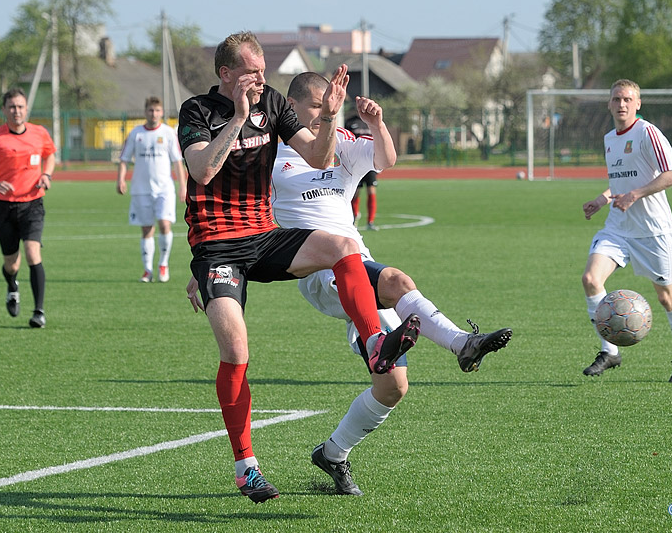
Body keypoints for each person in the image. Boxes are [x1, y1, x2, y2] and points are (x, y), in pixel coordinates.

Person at [176, 31, 419, 504]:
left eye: (264, 69)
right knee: (236, 350)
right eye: (251, 71)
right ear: (225, 74)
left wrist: (329, 115)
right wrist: (241, 121)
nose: (261, 78)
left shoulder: (271, 100)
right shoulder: (196, 111)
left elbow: (319, 155)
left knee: (341, 245)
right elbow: (203, 170)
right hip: (218, 248)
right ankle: (246, 467)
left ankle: (374, 342)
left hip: (263, 237)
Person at [274, 72, 513, 495]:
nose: (326, 110)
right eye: (317, 104)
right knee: (398, 279)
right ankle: (462, 344)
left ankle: (332, 453)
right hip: (316, 269)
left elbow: (385, 161)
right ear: (291, 106)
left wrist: (377, 123)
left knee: (392, 387)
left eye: (330, 103)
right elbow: (236, 210)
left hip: (357, 266)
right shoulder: (272, 151)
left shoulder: (344, 139)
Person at [581, 79, 672, 383]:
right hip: (618, 227)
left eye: (628, 99)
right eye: (616, 99)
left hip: (652, 230)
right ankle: (610, 351)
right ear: (609, 104)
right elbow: (620, 182)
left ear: (638, 103)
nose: (622, 104)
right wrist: (602, 199)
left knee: (666, 297)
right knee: (591, 280)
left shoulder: (648, 133)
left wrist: (637, 194)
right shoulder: (609, 139)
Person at [0, 88, 55, 329]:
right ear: (4, 110)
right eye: (12, 107)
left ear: (27, 109)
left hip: (32, 203)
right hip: (3, 207)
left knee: (32, 252)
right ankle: (12, 285)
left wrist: (46, 175)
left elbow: (50, 155)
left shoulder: (39, 133)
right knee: (12, 264)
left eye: (20, 106)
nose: (17, 111)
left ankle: (39, 311)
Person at [116, 96, 187, 283]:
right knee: (146, 229)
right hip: (141, 189)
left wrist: (183, 186)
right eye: (150, 110)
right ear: (145, 111)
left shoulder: (168, 133)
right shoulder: (136, 133)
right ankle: (147, 270)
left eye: (157, 110)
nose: (153, 114)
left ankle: (163, 264)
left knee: (165, 224)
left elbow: (178, 162)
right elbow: (124, 159)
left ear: (162, 112)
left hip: (164, 189)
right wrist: (120, 179)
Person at [346, 114, 380, 230]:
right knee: (355, 192)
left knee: (371, 190)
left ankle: (370, 221)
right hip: (355, 163)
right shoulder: (351, 122)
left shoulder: (371, 120)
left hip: (369, 163)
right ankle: (354, 217)